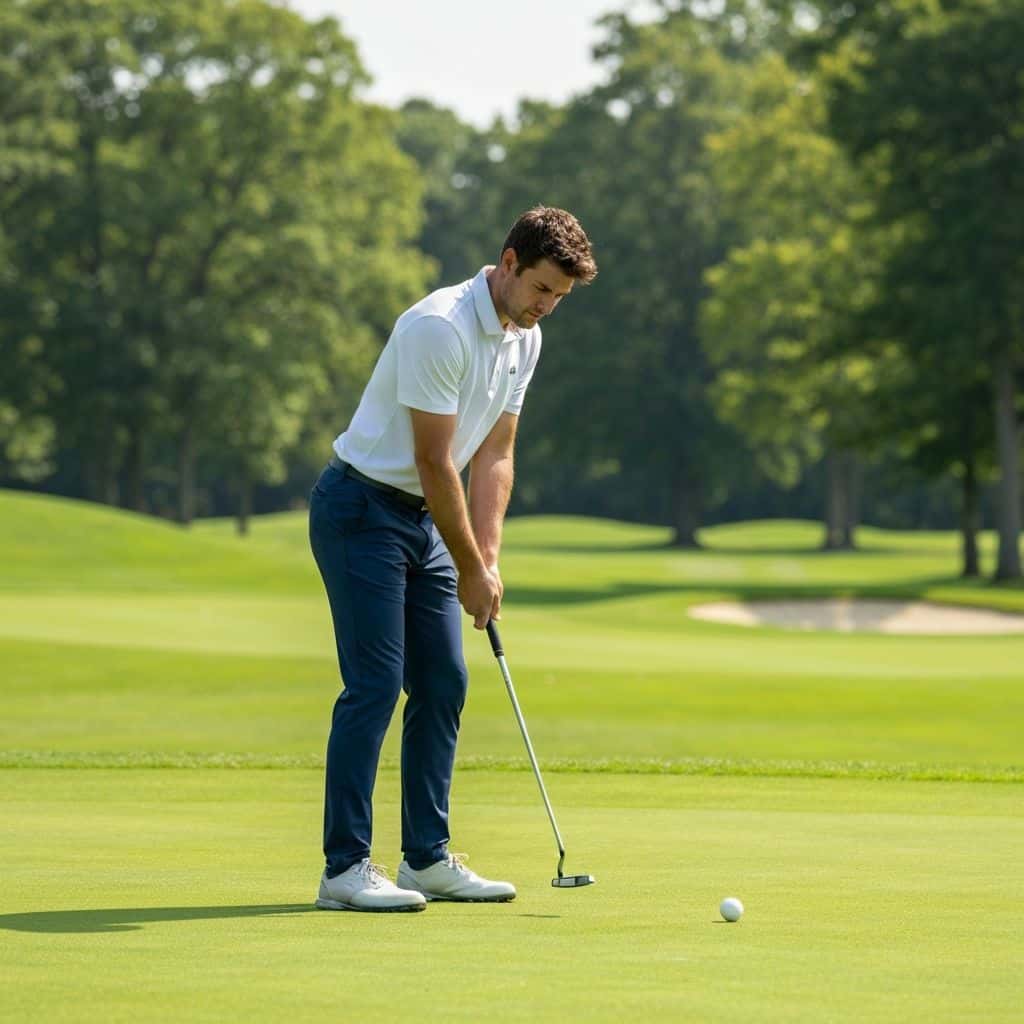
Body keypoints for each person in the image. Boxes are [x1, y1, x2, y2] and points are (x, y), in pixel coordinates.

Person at [308, 206, 597, 912]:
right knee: (376, 682)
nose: (546, 308)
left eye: (559, 297)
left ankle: (426, 859)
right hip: (361, 508)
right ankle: (344, 870)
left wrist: (488, 557)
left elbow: (494, 454)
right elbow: (435, 462)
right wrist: (467, 565)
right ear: (507, 262)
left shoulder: (523, 339)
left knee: (442, 682)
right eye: (541, 289)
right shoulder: (437, 327)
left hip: (424, 520)